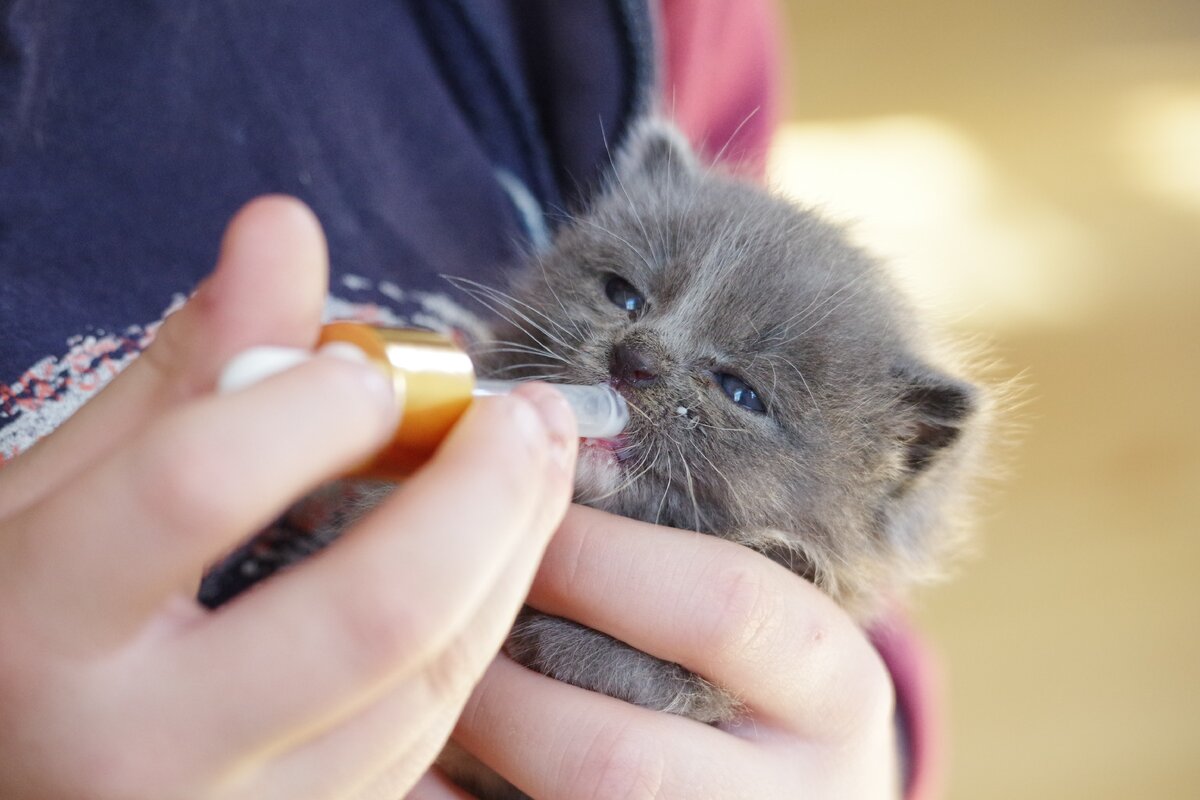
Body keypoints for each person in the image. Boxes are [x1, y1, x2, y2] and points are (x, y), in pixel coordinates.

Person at [0, 2, 936, 797]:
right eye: (622, 293)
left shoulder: (677, 25)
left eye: (740, 391)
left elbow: (830, 664)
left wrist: (830, 738)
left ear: (892, 470)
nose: (644, 350)